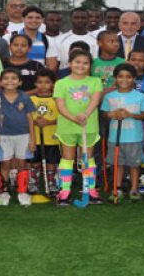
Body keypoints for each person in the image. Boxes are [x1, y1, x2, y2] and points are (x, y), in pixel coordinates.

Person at [53, 50, 104, 205]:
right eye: (77, 62)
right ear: (70, 63)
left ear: (90, 66)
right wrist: (74, 118)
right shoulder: (61, 83)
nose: (81, 65)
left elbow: (95, 101)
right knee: (67, 158)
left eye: (85, 63)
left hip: (88, 126)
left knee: (87, 159)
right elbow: (60, 105)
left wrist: (85, 115)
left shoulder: (95, 81)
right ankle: (65, 191)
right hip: (68, 126)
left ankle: (90, 190)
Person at [0, 67, 36, 207]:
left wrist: (33, 138)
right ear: (0, 82)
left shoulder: (25, 98)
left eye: (14, 78)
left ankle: (23, 192)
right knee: (5, 164)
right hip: (2, 137)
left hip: (23, 136)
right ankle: (3, 192)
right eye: (6, 78)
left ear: (20, 82)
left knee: (22, 163)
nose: (10, 81)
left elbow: (30, 118)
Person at [101, 64, 144, 201]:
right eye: (121, 77)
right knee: (118, 163)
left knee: (134, 165)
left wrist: (130, 115)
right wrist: (112, 114)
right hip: (115, 137)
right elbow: (104, 114)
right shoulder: (109, 96)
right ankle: (118, 188)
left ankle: (134, 189)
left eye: (128, 77)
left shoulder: (140, 96)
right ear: (115, 78)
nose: (124, 80)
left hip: (134, 137)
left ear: (134, 78)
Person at [29, 68, 61, 195]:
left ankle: (52, 183)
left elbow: (62, 117)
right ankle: (33, 183)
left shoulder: (57, 99)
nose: (43, 85)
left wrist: (48, 122)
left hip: (51, 138)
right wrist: (34, 121)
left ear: (53, 84)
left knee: (51, 162)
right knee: (34, 162)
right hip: (35, 137)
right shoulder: (30, 99)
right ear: (35, 84)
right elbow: (26, 117)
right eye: (40, 82)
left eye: (47, 82)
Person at [4, 6, 58, 71]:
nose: (34, 20)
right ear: (23, 19)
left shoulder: (48, 40)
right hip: (13, 79)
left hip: (38, 79)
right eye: (30, 17)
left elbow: (52, 65)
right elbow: (4, 62)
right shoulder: (8, 37)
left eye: (37, 18)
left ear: (42, 20)